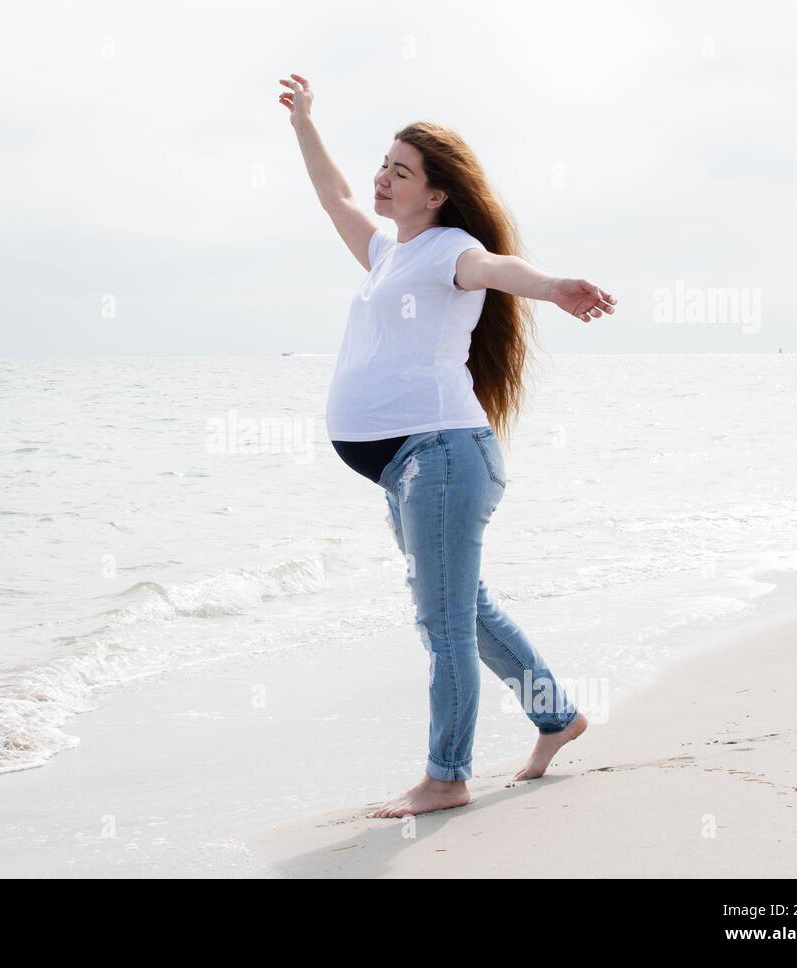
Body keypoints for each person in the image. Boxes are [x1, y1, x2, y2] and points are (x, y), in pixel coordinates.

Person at [278, 72, 616, 818]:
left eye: (402, 171)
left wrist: (553, 285)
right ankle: (557, 717)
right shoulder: (386, 253)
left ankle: (447, 775)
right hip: (410, 467)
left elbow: (497, 269)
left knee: (441, 620)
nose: (383, 178)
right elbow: (335, 196)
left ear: (435, 193)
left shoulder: (449, 248)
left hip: (441, 457)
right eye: (385, 165)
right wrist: (304, 120)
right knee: (466, 609)